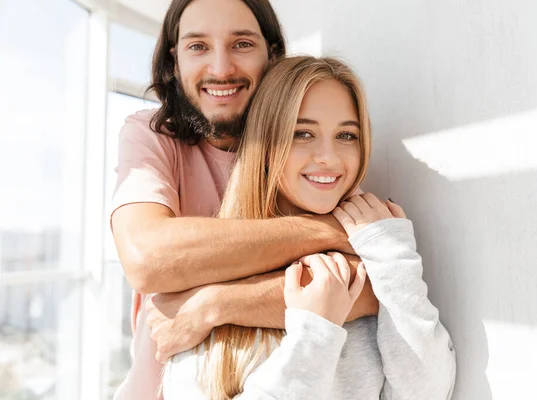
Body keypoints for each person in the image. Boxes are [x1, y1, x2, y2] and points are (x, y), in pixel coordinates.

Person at [111, 1, 379, 399]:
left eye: (242, 44)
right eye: (198, 46)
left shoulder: (308, 145)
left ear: (271, 54)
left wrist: (213, 305)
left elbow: (371, 287)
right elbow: (147, 258)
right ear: (174, 60)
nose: (221, 69)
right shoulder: (150, 137)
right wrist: (327, 230)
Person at [162, 56, 456, 400]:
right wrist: (316, 333)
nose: (329, 157)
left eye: (346, 135)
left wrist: (392, 256)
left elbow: (427, 392)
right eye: (303, 133)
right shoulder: (208, 289)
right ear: (265, 144)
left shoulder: (376, 257)